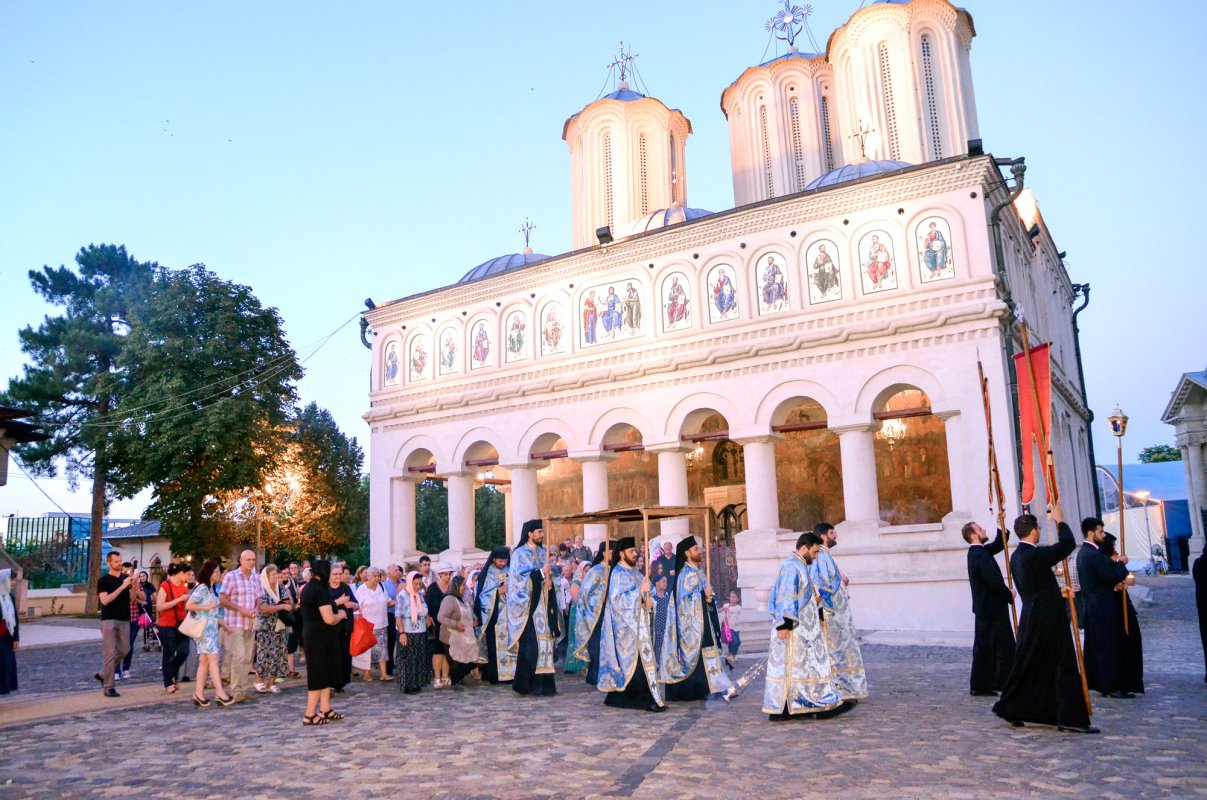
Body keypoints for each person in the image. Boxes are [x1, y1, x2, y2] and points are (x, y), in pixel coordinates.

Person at [992, 508, 1097, 733]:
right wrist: (1060, 519)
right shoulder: (1034, 555)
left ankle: (1013, 707)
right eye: (1038, 528)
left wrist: (1058, 592)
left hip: (1032, 614)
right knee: (1061, 663)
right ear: (1032, 532)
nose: (1039, 532)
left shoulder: (1017, 556)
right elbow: (1067, 544)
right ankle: (1070, 717)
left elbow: (1034, 586)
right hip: (1048, 617)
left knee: (1030, 663)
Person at [763, 532, 847, 721]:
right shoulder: (791, 566)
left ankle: (803, 704)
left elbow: (800, 596)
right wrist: (784, 625)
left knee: (802, 667)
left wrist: (815, 605)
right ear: (804, 548)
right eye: (815, 552)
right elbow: (785, 596)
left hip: (803, 630)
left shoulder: (800, 565)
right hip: (793, 629)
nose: (817, 556)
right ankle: (790, 708)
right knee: (793, 667)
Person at [596, 537, 665, 712]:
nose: (635, 554)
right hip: (625, 630)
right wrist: (640, 594)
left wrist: (648, 603)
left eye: (635, 551)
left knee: (643, 664)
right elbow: (618, 601)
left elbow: (643, 598)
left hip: (639, 627)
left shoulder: (636, 573)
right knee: (633, 666)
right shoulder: (618, 573)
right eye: (631, 551)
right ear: (621, 554)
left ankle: (646, 697)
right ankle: (631, 698)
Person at [659, 536, 724, 701]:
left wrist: (709, 598)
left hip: (703, 620)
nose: (699, 551)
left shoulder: (698, 571)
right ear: (687, 553)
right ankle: (698, 689)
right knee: (698, 654)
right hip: (692, 625)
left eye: (698, 548)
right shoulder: (686, 574)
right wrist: (703, 596)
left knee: (708, 650)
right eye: (695, 549)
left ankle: (713, 685)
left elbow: (705, 595)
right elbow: (684, 602)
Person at [1077, 517, 1134, 699]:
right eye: (1100, 532)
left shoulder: (1085, 553)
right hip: (1101, 606)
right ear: (1091, 533)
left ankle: (1106, 682)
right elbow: (1109, 577)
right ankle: (1110, 685)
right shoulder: (1091, 554)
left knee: (1101, 645)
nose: (1103, 535)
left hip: (1095, 605)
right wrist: (1121, 564)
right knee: (1107, 646)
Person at [811, 523, 868, 702]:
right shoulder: (820, 557)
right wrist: (822, 611)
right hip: (831, 616)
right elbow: (818, 584)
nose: (835, 535)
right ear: (823, 536)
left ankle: (847, 688)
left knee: (842, 650)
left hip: (839, 617)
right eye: (832, 532)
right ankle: (837, 688)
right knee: (834, 652)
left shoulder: (826, 556)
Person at [963, 521, 1016, 696]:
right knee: (998, 647)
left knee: (988, 646)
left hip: (986, 607)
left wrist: (1000, 523)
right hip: (991, 607)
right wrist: (1009, 594)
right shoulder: (979, 554)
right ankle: (991, 683)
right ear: (974, 535)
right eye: (980, 529)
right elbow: (992, 582)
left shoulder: (979, 552)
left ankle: (986, 683)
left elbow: (998, 544)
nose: (984, 530)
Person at [507, 519, 558, 696]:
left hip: (544, 604)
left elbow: (551, 577)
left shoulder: (544, 552)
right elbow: (517, 581)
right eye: (539, 532)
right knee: (531, 647)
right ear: (529, 533)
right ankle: (526, 685)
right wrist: (541, 573)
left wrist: (551, 583)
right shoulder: (519, 554)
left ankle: (545, 685)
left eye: (542, 532)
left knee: (546, 644)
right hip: (529, 607)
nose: (542, 535)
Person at [300, 560, 346, 725]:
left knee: (326, 673)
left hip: (319, 637)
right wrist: (340, 615)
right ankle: (309, 714)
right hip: (318, 638)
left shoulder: (310, 588)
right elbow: (329, 618)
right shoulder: (319, 590)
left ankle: (325, 709)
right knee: (318, 674)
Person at [186, 560, 235, 708]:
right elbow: (189, 605)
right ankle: (220, 692)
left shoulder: (212, 589)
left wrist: (224, 625)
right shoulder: (202, 588)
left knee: (205, 661)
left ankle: (199, 694)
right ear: (209, 573)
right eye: (216, 572)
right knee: (213, 658)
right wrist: (207, 606)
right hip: (204, 630)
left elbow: (213, 613)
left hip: (211, 629)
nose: (219, 574)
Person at [1101, 533, 1144, 694]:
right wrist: (1120, 565)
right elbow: (1110, 580)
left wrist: (1125, 581)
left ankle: (1131, 679)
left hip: (1123, 604)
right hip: (1115, 609)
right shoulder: (1105, 562)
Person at [219, 549, 260, 701]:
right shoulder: (231, 577)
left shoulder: (256, 578)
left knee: (248, 658)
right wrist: (241, 610)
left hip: (250, 624)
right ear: (241, 560)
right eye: (248, 559)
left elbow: (259, 598)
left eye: (253, 560)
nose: (251, 562)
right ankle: (235, 691)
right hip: (235, 622)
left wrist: (256, 608)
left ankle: (243, 690)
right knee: (239, 656)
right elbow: (223, 600)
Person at [96, 550, 136, 697]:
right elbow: (105, 601)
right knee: (110, 653)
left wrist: (134, 583)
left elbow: (132, 599)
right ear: (109, 563)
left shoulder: (126, 578)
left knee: (125, 649)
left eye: (120, 561)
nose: (119, 564)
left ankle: (102, 673)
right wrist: (122, 587)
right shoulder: (104, 581)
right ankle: (109, 687)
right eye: (116, 561)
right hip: (109, 619)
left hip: (124, 618)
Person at [573, 541, 613, 687]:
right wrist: (600, 599)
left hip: (613, 615)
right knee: (597, 647)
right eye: (611, 551)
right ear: (604, 553)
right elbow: (585, 595)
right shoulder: (595, 571)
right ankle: (595, 675)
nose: (613, 554)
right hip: (597, 616)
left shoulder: (615, 570)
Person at [474, 547, 514, 684]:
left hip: (510, 616)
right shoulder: (487, 574)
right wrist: (498, 591)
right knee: (494, 645)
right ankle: (495, 675)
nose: (503, 563)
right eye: (500, 561)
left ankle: (511, 674)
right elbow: (482, 595)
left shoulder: (511, 571)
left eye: (505, 561)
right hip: (494, 617)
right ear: (494, 559)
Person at [254, 564, 291, 694]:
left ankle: (271, 682)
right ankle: (259, 680)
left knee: (278, 653)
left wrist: (281, 605)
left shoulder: (280, 588)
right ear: (267, 576)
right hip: (265, 626)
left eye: (277, 574)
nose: (276, 577)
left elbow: (289, 603)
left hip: (279, 625)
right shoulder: (261, 589)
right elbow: (264, 609)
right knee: (264, 653)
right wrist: (280, 607)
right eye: (273, 574)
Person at [156, 563, 192, 693]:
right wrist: (178, 600)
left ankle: (172, 672)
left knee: (184, 651)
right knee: (169, 654)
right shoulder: (165, 586)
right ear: (180, 573)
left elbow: (186, 606)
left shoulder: (184, 587)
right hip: (167, 624)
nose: (188, 577)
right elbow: (160, 606)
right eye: (187, 574)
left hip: (182, 623)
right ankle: (168, 682)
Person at [395, 571, 432, 694]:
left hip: (420, 631)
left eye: (419, 584)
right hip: (407, 631)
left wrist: (427, 617)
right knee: (408, 659)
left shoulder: (419, 595)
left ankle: (417, 682)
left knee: (419, 657)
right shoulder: (402, 596)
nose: (417, 586)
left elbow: (424, 609)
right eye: (415, 584)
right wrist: (402, 633)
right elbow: (398, 616)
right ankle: (408, 684)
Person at [353, 567, 391, 683]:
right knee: (367, 650)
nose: (377, 578)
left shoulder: (382, 587)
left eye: (378, 576)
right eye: (374, 576)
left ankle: (383, 674)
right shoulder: (361, 590)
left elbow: (388, 602)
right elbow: (356, 607)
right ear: (367, 576)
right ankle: (366, 673)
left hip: (382, 623)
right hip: (367, 625)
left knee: (382, 649)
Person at [438, 574, 477, 686]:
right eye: (463, 585)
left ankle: (460, 678)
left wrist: (474, 619)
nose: (465, 587)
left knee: (468, 660)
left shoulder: (463, 599)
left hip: (465, 636)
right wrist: (455, 625)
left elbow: (470, 611)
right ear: (457, 586)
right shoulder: (449, 599)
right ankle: (456, 680)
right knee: (456, 661)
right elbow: (441, 617)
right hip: (452, 636)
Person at [329, 564, 358, 691]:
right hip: (331, 626)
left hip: (345, 626)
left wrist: (351, 603)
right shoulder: (326, 589)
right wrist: (338, 602)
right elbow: (324, 606)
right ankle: (332, 681)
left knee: (344, 654)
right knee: (333, 654)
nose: (338, 576)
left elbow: (356, 604)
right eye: (335, 574)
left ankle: (341, 682)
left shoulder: (345, 587)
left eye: (339, 574)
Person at [426, 562, 455, 688]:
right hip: (436, 623)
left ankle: (446, 676)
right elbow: (426, 604)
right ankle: (437, 677)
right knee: (438, 651)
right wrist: (428, 617)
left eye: (449, 574)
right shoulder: (433, 588)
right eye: (445, 574)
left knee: (447, 651)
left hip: (449, 624)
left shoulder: (452, 588)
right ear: (440, 575)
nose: (448, 576)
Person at [119, 568, 149, 679]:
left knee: (129, 645)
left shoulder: (136, 583)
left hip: (133, 617)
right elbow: (129, 598)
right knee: (119, 645)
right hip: (121, 617)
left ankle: (126, 668)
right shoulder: (119, 582)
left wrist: (134, 585)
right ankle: (116, 670)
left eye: (130, 572)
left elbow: (143, 598)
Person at [565, 561, 590, 674]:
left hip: (589, 613)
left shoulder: (590, 581)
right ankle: (576, 665)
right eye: (586, 570)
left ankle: (586, 665)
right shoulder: (576, 582)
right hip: (578, 613)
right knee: (578, 637)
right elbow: (576, 599)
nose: (588, 572)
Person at [0, 568, 19, 695]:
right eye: (11, 579)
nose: (13, 583)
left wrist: (16, 638)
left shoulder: (9, 598)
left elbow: (15, 619)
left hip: (6, 639)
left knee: (6, 667)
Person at [383, 563, 402, 679]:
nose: (398, 572)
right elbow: (387, 602)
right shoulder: (384, 585)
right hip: (390, 615)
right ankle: (389, 667)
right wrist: (396, 600)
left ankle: (400, 666)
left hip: (402, 616)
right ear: (389, 573)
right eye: (395, 570)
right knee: (390, 642)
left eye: (399, 570)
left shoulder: (403, 583)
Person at [719, 590, 742, 670]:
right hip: (728, 628)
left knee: (736, 642)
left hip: (736, 627)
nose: (732, 599)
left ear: (738, 599)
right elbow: (720, 610)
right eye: (731, 597)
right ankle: (731, 654)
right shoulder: (726, 605)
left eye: (734, 597)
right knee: (735, 641)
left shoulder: (739, 607)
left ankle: (731, 655)